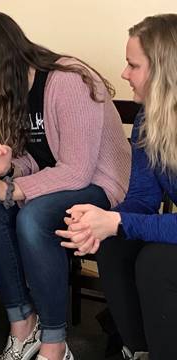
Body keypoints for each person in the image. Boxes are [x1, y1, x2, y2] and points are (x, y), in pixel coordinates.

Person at [0, 12, 131, 360]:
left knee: (33, 217)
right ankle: (22, 323)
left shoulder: (68, 80)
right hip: (56, 183)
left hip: (100, 183)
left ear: (3, 53)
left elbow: (77, 171)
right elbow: (37, 159)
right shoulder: (12, 90)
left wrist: (9, 189)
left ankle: (55, 343)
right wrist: (8, 167)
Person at [57, 14, 177, 360]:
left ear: (164, 70)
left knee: (158, 262)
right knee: (114, 246)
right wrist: (101, 222)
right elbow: (142, 199)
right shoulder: (148, 119)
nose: (124, 74)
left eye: (132, 65)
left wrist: (118, 222)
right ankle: (139, 350)